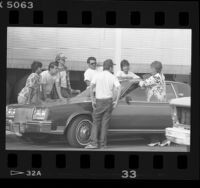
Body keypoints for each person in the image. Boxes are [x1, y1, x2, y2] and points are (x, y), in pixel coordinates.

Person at [85, 59, 121, 149]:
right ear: (110, 67)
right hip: (108, 101)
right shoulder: (113, 77)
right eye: (112, 66)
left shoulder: (97, 75)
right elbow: (119, 88)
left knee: (96, 122)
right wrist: (116, 101)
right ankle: (103, 145)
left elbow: (91, 87)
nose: (113, 68)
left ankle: (94, 143)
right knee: (105, 124)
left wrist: (93, 100)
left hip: (99, 101)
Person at [139, 61, 167, 146]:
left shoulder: (155, 77)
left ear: (155, 69)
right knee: (158, 122)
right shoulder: (162, 76)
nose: (150, 70)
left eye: (151, 68)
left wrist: (141, 81)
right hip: (160, 101)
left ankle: (155, 140)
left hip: (154, 101)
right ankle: (164, 139)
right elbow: (150, 85)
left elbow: (143, 83)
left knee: (152, 122)